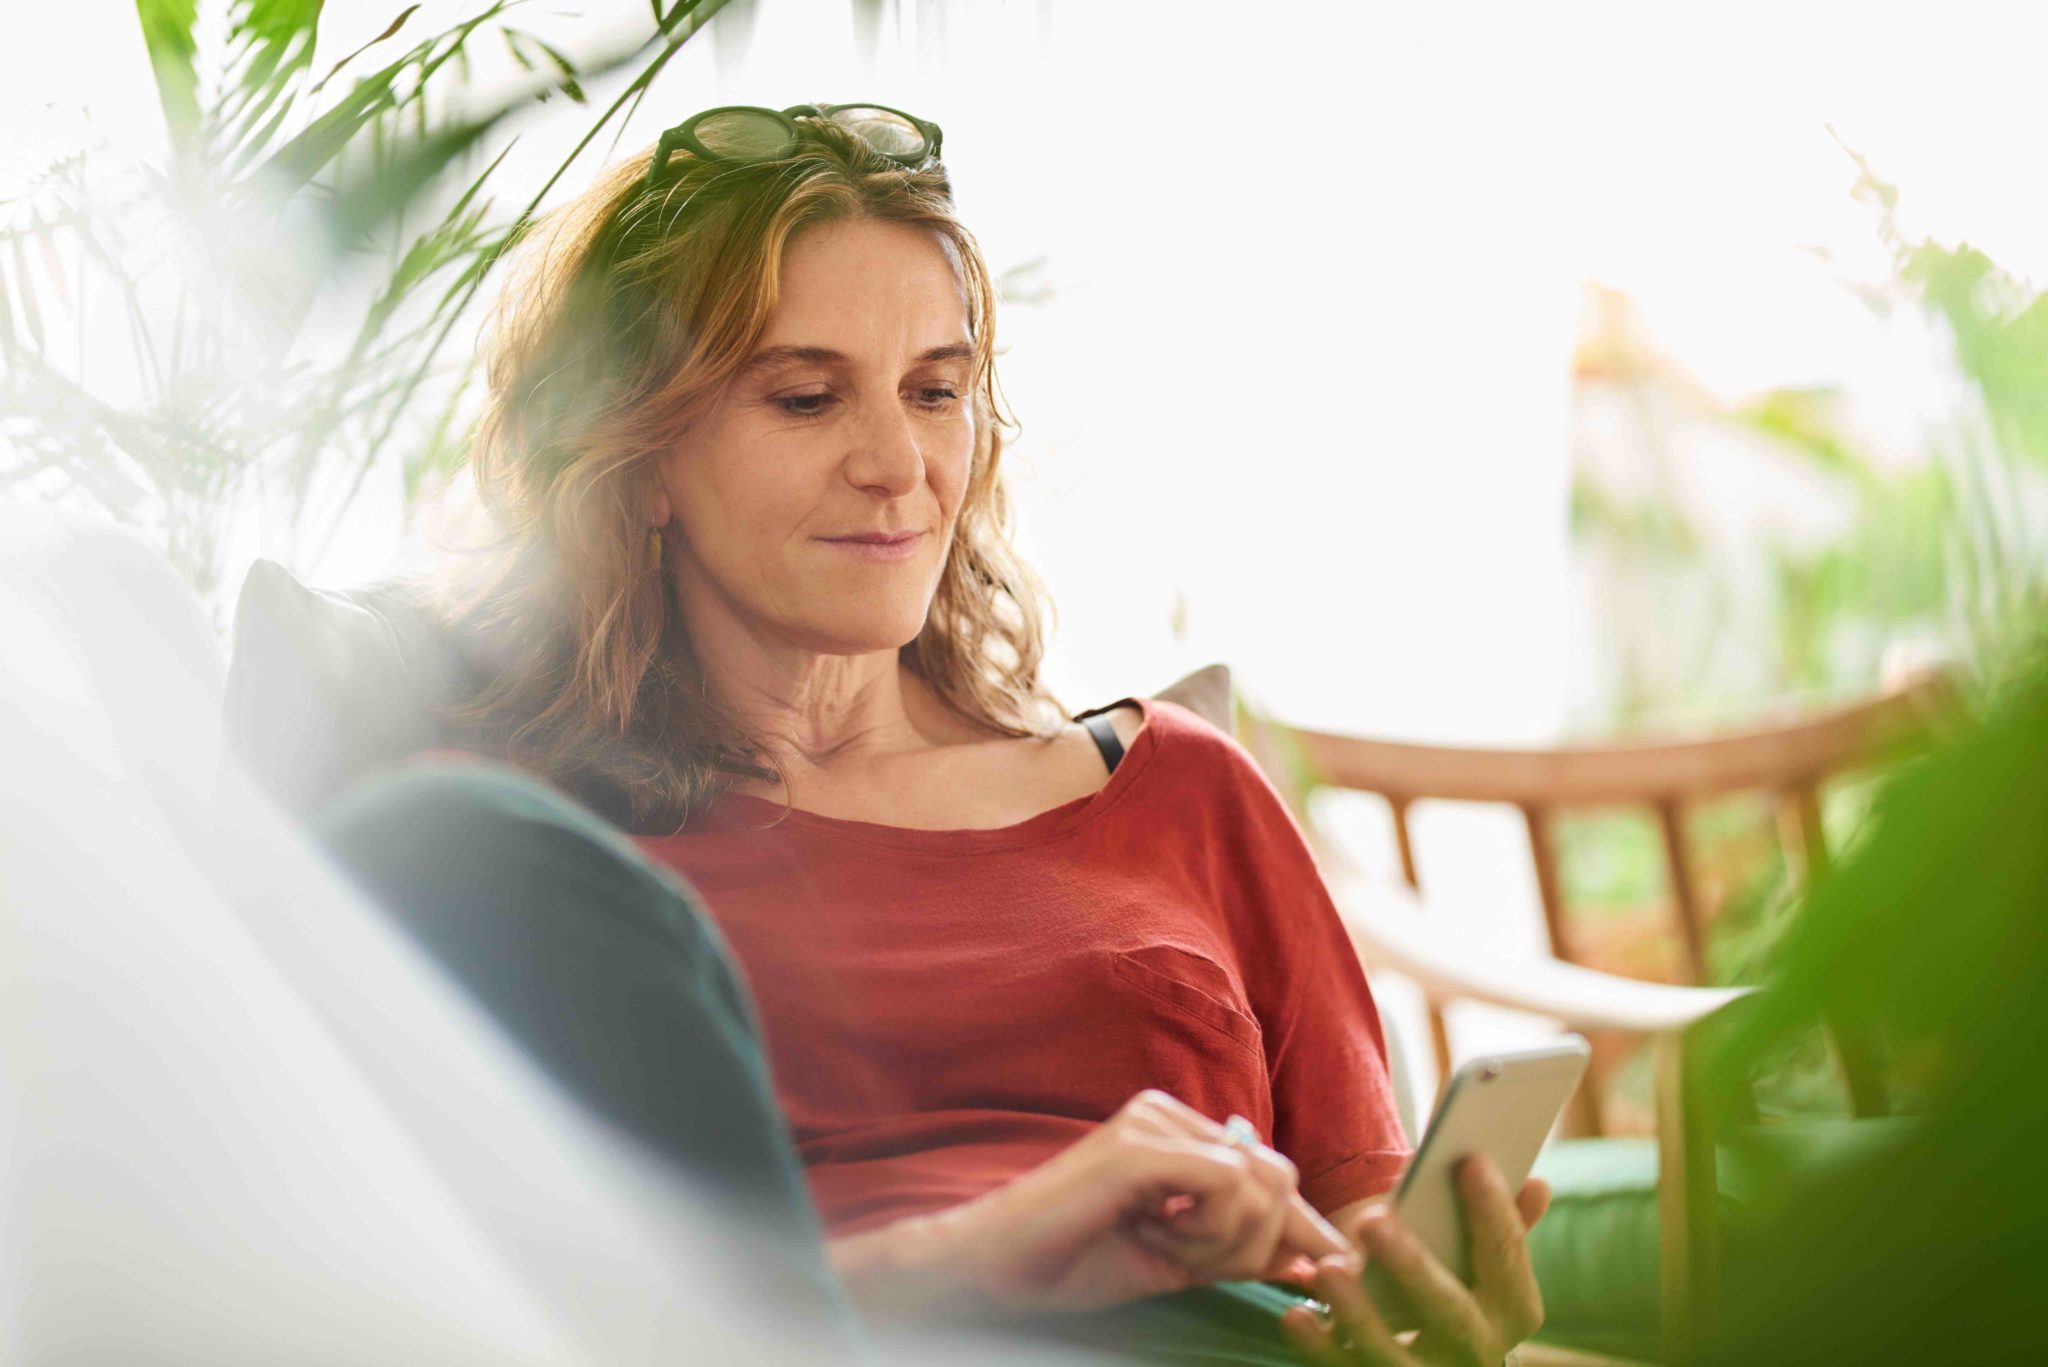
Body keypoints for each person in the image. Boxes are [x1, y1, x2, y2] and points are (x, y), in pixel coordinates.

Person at [326, 102, 1550, 1364]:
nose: (897, 462)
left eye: (934, 390)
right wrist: (988, 1247)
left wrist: (1435, 1313)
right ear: (636, 460)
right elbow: (528, 1309)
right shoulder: (521, 850)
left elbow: (1366, 1231)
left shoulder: (1181, 789)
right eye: (805, 398)